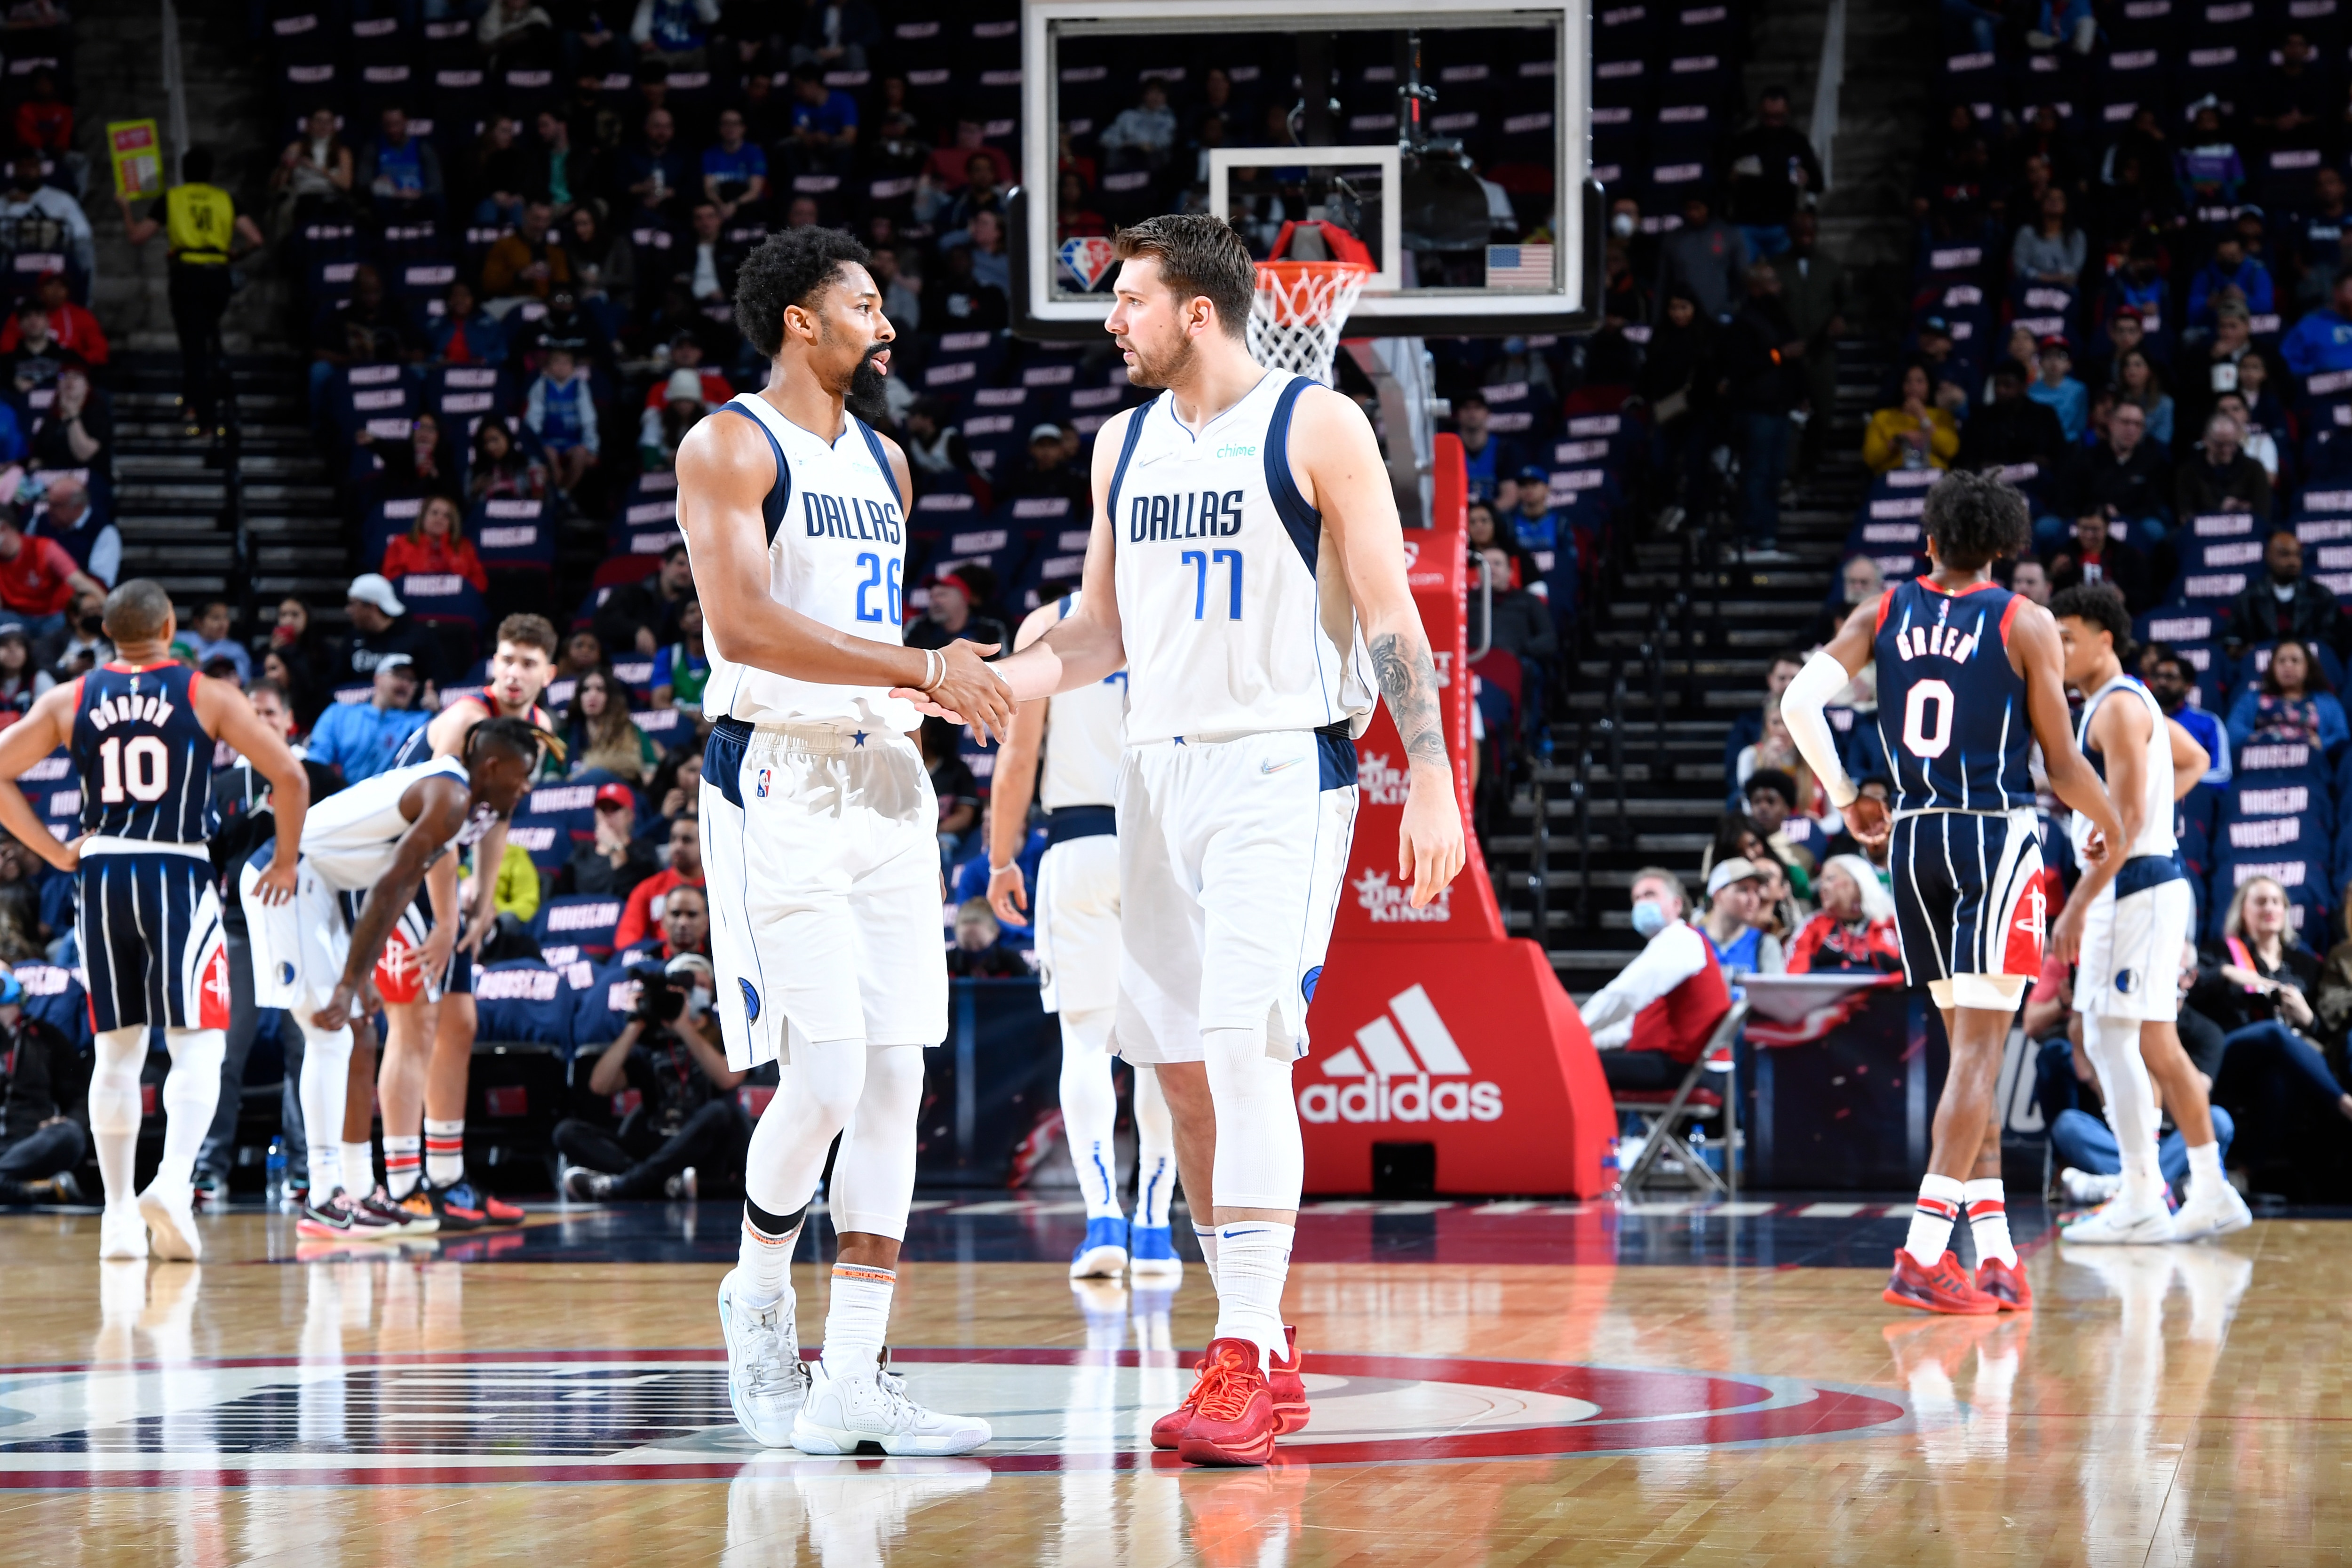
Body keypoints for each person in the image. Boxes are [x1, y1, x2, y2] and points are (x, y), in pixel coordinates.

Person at [980, 214, 1464, 1465]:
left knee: (1246, 1051)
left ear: (1197, 311)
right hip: (1156, 774)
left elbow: (1386, 607)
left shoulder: (1317, 423)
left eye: (1130, 300)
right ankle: (1263, 1336)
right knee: (1178, 1077)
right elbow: (1098, 634)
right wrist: (984, 677)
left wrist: (1429, 775)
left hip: (1278, 767)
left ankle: (1242, 1346)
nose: (1111, 321)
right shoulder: (1118, 445)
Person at [673, 224, 1012, 1457]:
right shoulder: (726, 442)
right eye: (865, 304)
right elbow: (751, 625)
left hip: (882, 774)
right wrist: (923, 660)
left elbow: (852, 634)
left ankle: (854, 1376)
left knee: (898, 1075)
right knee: (823, 1072)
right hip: (775, 776)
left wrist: (940, 691)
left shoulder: (888, 461)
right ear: (799, 321)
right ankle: (758, 1287)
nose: (887, 324)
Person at [1782, 467, 2124, 1314]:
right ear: (2004, 551)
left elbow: (1797, 700)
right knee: (1980, 1052)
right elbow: (2060, 762)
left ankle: (1999, 1254)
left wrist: (1845, 792)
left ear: (1929, 541)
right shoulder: (2024, 619)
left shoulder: (1884, 610)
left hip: (1916, 838)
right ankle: (1926, 1252)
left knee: (1969, 1049)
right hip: (1994, 835)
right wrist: (2113, 819)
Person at [0, 580, 310, 1259]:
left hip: (102, 870)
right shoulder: (205, 692)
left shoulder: (69, 697)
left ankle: (116, 1216)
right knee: (198, 1042)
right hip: (176, 869)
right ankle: (171, 1182)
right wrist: (284, 863)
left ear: (107, 632)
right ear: (171, 625)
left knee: (117, 1049)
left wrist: (54, 851)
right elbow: (290, 777)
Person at [239, 716, 541, 1238]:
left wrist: (362, 974)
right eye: (523, 774)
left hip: (326, 890)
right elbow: (386, 888)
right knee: (329, 1033)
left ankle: (357, 1191)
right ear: (492, 766)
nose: (527, 787)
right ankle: (321, 1195)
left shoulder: (458, 800)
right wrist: (351, 980)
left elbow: (396, 892)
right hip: (286, 876)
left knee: (360, 1034)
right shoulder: (448, 795)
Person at [985, 589, 1179, 1281]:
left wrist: (1002, 856)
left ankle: (1104, 1220)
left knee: (1086, 1040)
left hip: (1082, 845)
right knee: (1168, 1045)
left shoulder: (1047, 622)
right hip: (1170, 842)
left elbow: (1018, 756)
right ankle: (1155, 1227)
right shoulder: (1181, 599)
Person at [2048, 582, 2249, 1242]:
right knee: (2139, 1041)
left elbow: (2131, 819)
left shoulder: (2115, 708)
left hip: (2133, 886)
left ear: (2106, 638)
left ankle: (2144, 1191)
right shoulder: (2132, 703)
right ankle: (2203, 1189)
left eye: (2068, 635)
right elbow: (2191, 759)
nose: (2057, 647)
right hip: (2142, 880)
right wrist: (2142, 815)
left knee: (2121, 1038)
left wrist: (2078, 902)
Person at [372, 614, 559, 1231]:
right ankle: (402, 1184)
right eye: (507, 659)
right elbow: (439, 823)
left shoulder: (539, 730)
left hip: (443, 873)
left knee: (460, 1020)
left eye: (528, 663)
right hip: (394, 870)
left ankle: (448, 1178)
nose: (514, 672)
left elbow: (495, 816)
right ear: (492, 665)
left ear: (548, 675)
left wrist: (482, 901)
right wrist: (451, 917)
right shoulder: (461, 720)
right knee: (413, 1023)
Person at [193, 677, 341, 1200]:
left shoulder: (319, 777)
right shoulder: (220, 785)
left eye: (269, 714)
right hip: (238, 930)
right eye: (249, 714)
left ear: (289, 721)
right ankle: (209, 1169)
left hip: (305, 927)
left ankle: (308, 1169)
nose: (259, 723)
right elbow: (206, 863)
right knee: (223, 1053)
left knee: (308, 1049)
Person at [559, 953, 748, 1200]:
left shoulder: (726, 1031)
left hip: (705, 1148)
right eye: (686, 987)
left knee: (720, 1112)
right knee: (566, 1131)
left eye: (702, 986)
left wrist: (684, 1027)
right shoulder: (653, 1039)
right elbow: (600, 1085)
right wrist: (635, 1025)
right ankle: (659, 1182)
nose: (694, 993)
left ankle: (625, 1185)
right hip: (658, 1143)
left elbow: (728, 1079)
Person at [115, 147, 261, 438]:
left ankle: (205, 418)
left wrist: (125, 208)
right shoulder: (226, 199)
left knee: (194, 346)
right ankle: (194, 401)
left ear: (183, 172)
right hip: (218, 276)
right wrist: (236, 255)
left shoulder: (173, 198)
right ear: (211, 174)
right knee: (206, 337)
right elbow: (256, 239)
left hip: (187, 277)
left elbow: (137, 236)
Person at [1580, 869, 1733, 1078]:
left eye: (1650, 895)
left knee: (1574, 1069)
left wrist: (1573, 1030)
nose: (1643, 904)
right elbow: (1628, 1028)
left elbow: (1624, 995)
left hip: (1690, 1066)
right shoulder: (1668, 949)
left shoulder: (1681, 940)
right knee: (1578, 1059)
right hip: (1685, 1062)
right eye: (1637, 899)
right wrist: (1582, 1042)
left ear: (1677, 905)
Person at [1719, 262, 1803, 562]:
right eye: (1771, 283)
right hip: (1756, 411)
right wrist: (1779, 355)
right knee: (1756, 474)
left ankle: (1768, 536)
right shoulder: (1744, 322)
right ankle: (1752, 536)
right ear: (1755, 288)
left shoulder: (1780, 317)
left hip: (1780, 409)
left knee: (1774, 475)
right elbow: (1740, 366)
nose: (1777, 289)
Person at [0, 970, 87, 1204]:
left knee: (70, 1135)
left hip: (30, 1144)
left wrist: (71, 1120)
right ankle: (24, 1189)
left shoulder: (47, 1037)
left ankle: (7, 1182)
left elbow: (80, 1096)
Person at [306, 654, 427, 785]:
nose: (406, 684)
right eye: (400, 676)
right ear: (378, 679)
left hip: (388, 799)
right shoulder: (339, 713)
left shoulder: (419, 724)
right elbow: (317, 760)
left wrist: (436, 712)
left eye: (412, 680)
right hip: (336, 796)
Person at [2225, 637, 2347, 753]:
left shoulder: (2327, 701)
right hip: (2261, 768)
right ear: (2272, 667)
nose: (2288, 667)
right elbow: (2233, 731)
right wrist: (2256, 740)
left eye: (2295, 661)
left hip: (2310, 770)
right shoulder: (2251, 699)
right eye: (2281, 661)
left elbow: (2342, 736)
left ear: (2308, 668)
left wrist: (2322, 744)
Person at [2224, 531, 2339, 653]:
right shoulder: (2248, 598)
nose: (2293, 562)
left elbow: (2333, 640)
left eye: (2298, 555)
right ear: (2268, 556)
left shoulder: (2320, 595)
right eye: (2285, 555)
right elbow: (2234, 643)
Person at [1785, 853, 1902, 973]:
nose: (1823, 887)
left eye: (1830, 879)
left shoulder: (1892, 924)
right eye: (1822, 881)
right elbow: (1795, 978)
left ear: (1858, 883)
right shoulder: (1812, 926)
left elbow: (1911, 973)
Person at [0, 512, 104, 641]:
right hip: (20, 619)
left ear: (4, 528)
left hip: (54, 615)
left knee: (65, 618)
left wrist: (108, 608)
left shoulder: (44, 548)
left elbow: (79, 581)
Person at [611, 813, 703, 950]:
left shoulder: (720, 888)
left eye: (687, 840)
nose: (678, 846)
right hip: (661, 964)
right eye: (673, 839)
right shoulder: (649, 888)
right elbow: (626, 939)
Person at [2145, 646, 2229, 787]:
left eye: (2170, 677)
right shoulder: (2142, 721)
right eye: (2157, 677)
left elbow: (2222, 775)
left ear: (2188, 686)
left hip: (2194, 802)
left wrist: (2172, 783)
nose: (2162, 682)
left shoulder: (2209, 723)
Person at [526, 346, 600, 499]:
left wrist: (592, 448)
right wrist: (534, 447)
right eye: (557, 362)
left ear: (573, 368)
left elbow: (589, 419)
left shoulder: (580, 386)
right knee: (549, 455)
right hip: (549, 441)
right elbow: (533, 419)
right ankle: (556, 491)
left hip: (572, 441)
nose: (561, 367)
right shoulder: (542, 386)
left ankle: (565, 492)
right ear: (549, 367)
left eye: (566, 363)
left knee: (581, 453)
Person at [561, 780, 658, 896]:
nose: (608, 814)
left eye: (615, 809)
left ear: (630, 816)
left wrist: (615, 847)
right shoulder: (581, 853)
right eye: (603, 809)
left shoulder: (644, 850)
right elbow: (563, 897)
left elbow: (634, 895)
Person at [2049, 511, 2154, 615]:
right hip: (2073, 614)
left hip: (2116, 615)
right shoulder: (2063, 554)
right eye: (2084, 529)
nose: (2089, 535)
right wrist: (2052, 573)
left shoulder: (2128, 556)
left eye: (2095, 530)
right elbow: (2051, 593)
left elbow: (2145, 594)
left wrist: (2124, 597)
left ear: (2107, 527)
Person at [1863, 362, 1957, 474]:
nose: (1913, 387)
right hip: (1893, 478)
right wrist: (1898, 440)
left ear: (1929, 385)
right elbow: (1871, 459)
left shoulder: (1942, 416)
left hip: (1933, 478)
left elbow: (1950, 451)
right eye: (1908, 381)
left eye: (1920, 381)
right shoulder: (1882, 417)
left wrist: (1923, 417)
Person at [381, 494, 488, 592]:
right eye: (434, 513)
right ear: (423, 517)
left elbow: (480, 584)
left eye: (447, 516)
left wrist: (447, 550)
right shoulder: (400, 544)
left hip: (453, 604)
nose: (440, 518)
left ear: (452, 523)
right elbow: (391, 583)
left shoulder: (464, 546)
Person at [2176, 412, 2271, 520]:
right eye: (2219, 445)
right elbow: (2185, 516)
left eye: (2231, 444)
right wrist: (2220, 513)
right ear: (2205, 439)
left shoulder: (2254, 469)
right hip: (2203, 534)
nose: (2226, 450)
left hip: (2247, 533)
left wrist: (2242, 510)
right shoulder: (2188, 472)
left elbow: (2263, 515)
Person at [1700, 858, 1782, 982]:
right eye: (1743, 890)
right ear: (1718, 895)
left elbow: (1777, 999)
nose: (1753, 899)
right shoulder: (1691, 942)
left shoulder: (1764, 945)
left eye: (1756, 891)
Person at [906, 572, 1008, 656]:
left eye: (942, 595)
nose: (935, 601)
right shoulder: (918, 627)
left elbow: (1002, 665)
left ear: (963, 599)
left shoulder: (991, 629)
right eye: (931, 597)